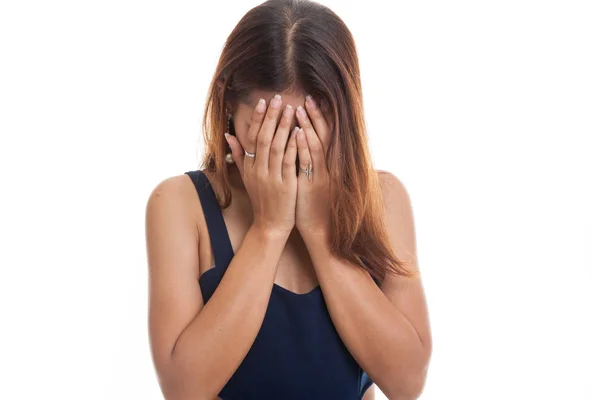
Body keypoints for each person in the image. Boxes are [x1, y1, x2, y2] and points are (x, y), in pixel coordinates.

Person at [145, 0, 432, 399]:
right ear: (229, 103)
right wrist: (269, 227)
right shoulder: (179, 203)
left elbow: (407, 383)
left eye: (308, 128)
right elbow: (184, 389)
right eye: (270, 127)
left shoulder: (383, 199)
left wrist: (317, 229)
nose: (290, 150)